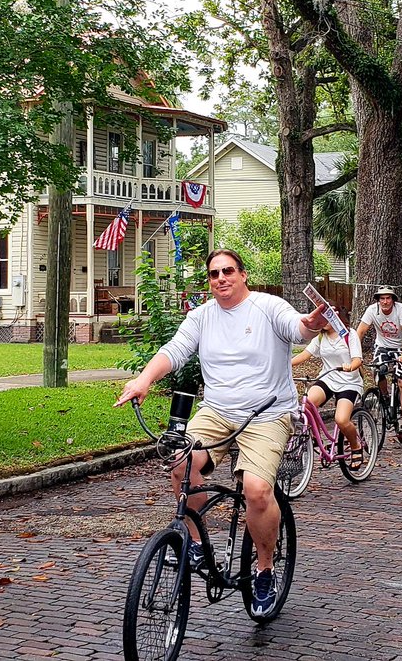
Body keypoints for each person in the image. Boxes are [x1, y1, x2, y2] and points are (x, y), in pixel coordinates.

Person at [115, 248, 327, 618]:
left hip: (266, 414)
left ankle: (264, 571)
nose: (221, 279)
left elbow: (297, 327)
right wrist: (144, 380)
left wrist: (310, 323)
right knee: (178, 460)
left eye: (228, 271)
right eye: (214, 274)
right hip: (216, 412)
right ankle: (196, 542)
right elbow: (176, 349)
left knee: (257, 491)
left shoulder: (267, 306)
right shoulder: (202, 317)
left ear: (243, 274)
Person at [290, 312, 365, 469]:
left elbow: (358, 359)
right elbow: (305, 354)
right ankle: (316, 437)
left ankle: (355, 445)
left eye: (326, 318)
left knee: (342, 420)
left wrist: (350, 366)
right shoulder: (320, 337)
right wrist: (285, 364)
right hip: (328, 379)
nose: (322, 322)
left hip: (348, 382)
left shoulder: (349, 334)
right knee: (308, 403)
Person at [356, 286, 402, 437]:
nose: (385, 301)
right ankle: (385, 397)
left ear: (393, 300)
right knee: (378, 370)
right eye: (382, 298)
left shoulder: (400, 309)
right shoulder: (372, 310)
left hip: (401, 349)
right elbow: (360, 331)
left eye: (388, 298)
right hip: (382, 347)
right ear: (378, 300)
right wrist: (355, 354)